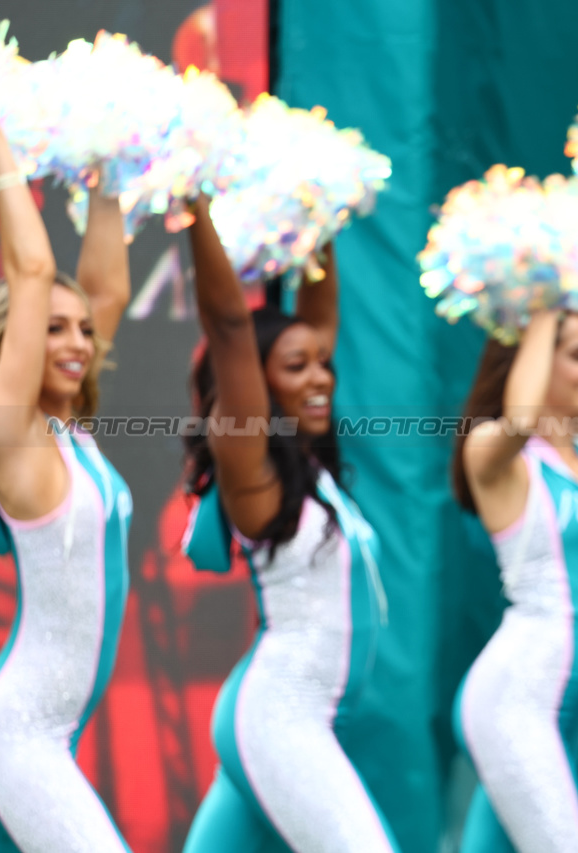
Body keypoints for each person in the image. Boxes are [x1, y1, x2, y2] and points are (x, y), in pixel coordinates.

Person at [179, 197, 399, 853]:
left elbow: (318, 314)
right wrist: (195, 202)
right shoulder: (252, 467)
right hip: (279, 717)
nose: (320, 377)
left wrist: (317, 201)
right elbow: (227, 324)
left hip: (302, 716)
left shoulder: (309, 467)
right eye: (296, 367)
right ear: (259, 386)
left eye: (324, 363)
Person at [0, 115, 134, 852]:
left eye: (82, 330)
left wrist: (106, 165)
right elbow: (33, 270)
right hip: (21, 728)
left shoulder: (74, 439)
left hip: (50, 727)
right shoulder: (14, 438)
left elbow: (108, 286)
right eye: (53, 328)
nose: (75, 342)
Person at [451, 309, 578, 853]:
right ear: (530, 359)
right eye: (576, 355)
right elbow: (523, 416)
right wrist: (545, 288)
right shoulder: (496, 453)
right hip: (516, 701)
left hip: (567, 710)